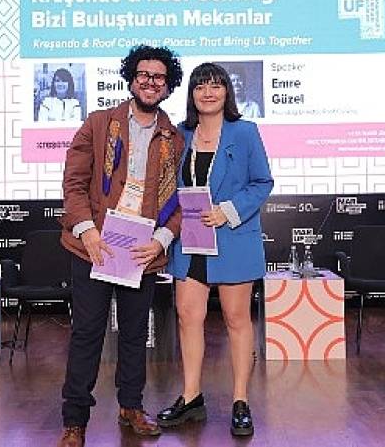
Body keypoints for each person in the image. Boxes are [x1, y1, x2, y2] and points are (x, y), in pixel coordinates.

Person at [56, 45, 185, 447]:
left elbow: (182, 200)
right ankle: (75, 421)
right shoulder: (98, 123)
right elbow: (74, 184)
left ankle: (131, 407)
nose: (150, 82)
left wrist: (161, 239)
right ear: (131, 79)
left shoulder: (176, 139)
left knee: (134, 335)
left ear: (168, 87)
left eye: (159, 77)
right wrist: (88, 232)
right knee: (87, 334)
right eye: (143, 74)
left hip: (141, 251)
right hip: (93, 246)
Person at [157, 62, 273, 437]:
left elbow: (262, 182)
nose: (208, 92)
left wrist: (228, 211)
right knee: (187, 316)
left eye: (215, 85)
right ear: (191, 94)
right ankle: (191, 397)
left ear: (227, 92)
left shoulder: (245, 132)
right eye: (200, 86)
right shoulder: (180, 134)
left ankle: (240, 400)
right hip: (190, 240)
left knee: (236, 319)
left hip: (232, 238)